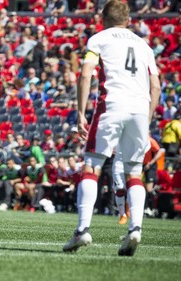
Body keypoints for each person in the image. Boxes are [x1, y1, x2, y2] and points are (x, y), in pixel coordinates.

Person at [62, 1, 160, 256]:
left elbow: (85, 75)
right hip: (140, 108)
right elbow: (156, 87)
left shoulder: (99, 39)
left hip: (112, 105)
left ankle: (82, 230)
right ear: (128, 20)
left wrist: (81, 113)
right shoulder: (144, 45)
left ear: (103, 18)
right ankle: (135, 228)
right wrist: (146, 120)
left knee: (92, 165)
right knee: (134, 171)